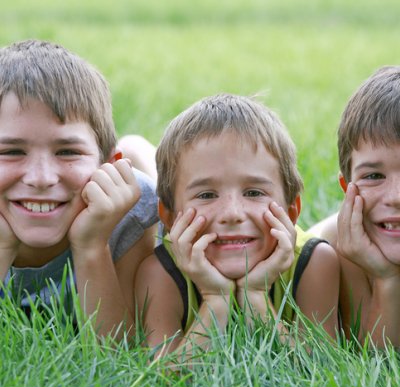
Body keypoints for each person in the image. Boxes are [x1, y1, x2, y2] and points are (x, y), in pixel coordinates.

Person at [134, 93, 340, 357]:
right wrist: (215, 299)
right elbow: (163, 379)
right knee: (133, 149)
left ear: (291, 212)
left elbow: (318, 369)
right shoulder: (160, 272)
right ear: (170, 218)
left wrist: (256, 295)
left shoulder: (316, 262)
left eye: (254, 193)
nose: (232, 214)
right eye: (206, 195)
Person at [0, 39, 158, 338]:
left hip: (134, 183)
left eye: (67, 151)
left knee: (163, 191)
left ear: (107, 165)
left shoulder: (131, 207)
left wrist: (92, 244)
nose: (41, 178)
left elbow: (118, 351)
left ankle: (137, 152)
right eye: (10, 152)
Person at [308, 66, 400, 347]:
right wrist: (386, 279)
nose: (395, 196)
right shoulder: (324, 257)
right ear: (346, 188)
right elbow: (379, 365)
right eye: (373, 176)